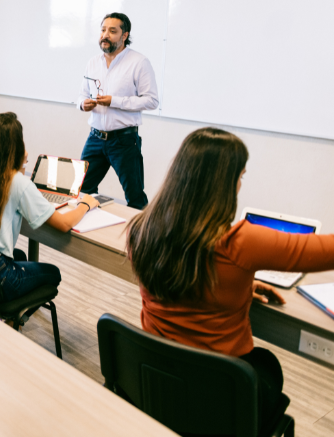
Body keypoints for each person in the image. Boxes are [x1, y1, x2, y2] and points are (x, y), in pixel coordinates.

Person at [127, 127, 334, 431]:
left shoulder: (141, 228)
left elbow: (184, 275)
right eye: (239, 177)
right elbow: (323, 251)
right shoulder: (240, 243)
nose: (239, 185)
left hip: (156, 380)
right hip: (216, 396)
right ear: (222, 184)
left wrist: (238, 284)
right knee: (267, 367)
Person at [0, 112, 99, 300]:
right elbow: (64, 224)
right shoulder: (17, 181)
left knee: (19, 255)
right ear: (15, 147)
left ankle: (3, 312)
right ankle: (7, 318)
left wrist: (20, 164)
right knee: (52, 274)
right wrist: (85, 204)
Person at [77, 12, 159, 209]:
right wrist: (83, 104)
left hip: (124, 141)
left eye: (112, 31)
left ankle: (140, 238)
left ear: (124, 35)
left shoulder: (139, 62)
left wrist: (115, 101)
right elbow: (81, 95)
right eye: (103, 30)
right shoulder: (93, 62)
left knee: (135, 196)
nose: (105, 35)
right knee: (81, 190)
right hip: (95, 138)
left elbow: (152, 101)